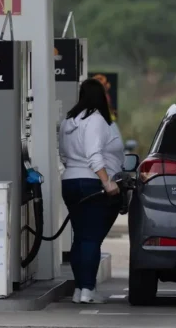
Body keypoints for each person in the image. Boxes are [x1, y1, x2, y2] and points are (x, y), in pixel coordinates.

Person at [58, 78, 125, 304]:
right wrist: (107, 182)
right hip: (91, 184)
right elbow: (94, 155)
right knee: (91, 239)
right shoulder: (95, 119)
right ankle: (88, 290)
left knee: (81, 237)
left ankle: (79, 289)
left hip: (70, 182)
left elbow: (64, 155)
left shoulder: (68, 120)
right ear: (100, 97)